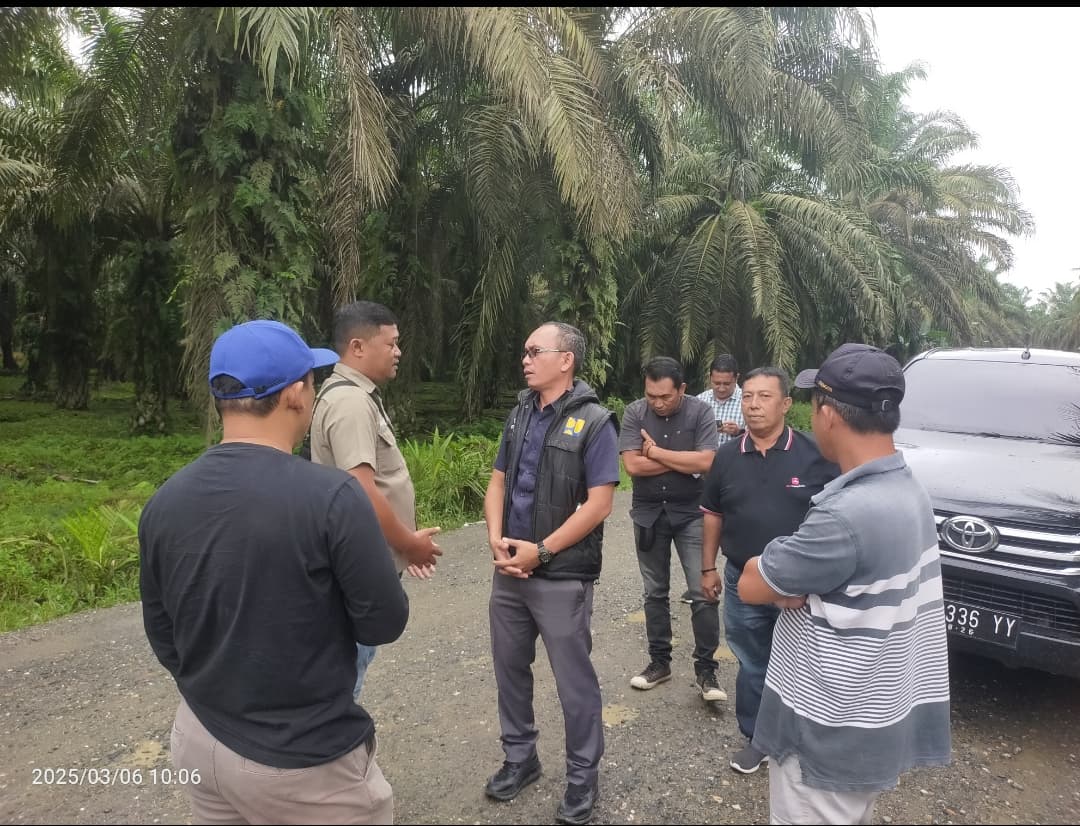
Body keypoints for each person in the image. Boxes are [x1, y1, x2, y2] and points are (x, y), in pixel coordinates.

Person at [139, 319, 409, 825]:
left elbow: (163, 635)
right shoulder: (331, 498)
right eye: (310, 380)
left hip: (201, 738)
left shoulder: (164, 502)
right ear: (293, 394)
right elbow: (383, 623)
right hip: (303, 760)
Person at [738, 344, 951, 824]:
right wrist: (800, 586)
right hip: (873, 714)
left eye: (811, 404)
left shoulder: (845, 515)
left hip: (826, 733)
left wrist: (786, 581)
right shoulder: (908, 488)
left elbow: (752, 583)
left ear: (828, 415)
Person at [482, 322, 620, 826]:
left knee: (573, 682)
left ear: (566, 360)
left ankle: (582, 778)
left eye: (535, 350)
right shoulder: (520, 413)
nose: (525, 358)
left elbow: (600, 504)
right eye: (524, 350)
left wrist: (541, 551)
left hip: (560, 575)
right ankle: (521, 759)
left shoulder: (596, 421)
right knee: (509, 671)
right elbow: (496, 483)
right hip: (509, 572)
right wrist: (496, 537)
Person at [700, 366, 839, 774]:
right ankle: (756, 738)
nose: (754, 405)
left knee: (808, 661)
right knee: (753, 661)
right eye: (747, 397)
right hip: (744, 579)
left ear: (785, 404)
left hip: (801, 584)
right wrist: (707, 568)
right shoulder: (726, 456)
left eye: (764, 397)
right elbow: (712, 515)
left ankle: (805, 738)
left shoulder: (816, 456)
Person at [310, 300, 442, 700]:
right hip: (360, 563)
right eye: (392, 343)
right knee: (347, 670)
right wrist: (408, 543)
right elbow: (362, 490)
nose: (398, 351)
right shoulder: (350, 403)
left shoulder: (352, 395)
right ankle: (332, 749)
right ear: (358, 347)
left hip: (365, 554)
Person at [619, 356, 723, 702]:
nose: (658, 403)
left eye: (665, 396)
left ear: (682, 389)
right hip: (649, 514)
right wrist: (681, 460)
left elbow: (707, 462)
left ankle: (706, 671)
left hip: (692, 513)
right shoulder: (635, 413)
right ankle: (659, 663)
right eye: (652, 396)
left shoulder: (700, 413)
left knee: (702, 592)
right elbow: (632, 465)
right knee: (654, 593)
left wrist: (657, 452)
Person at [696, 354, 745, 445]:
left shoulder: (747, 400)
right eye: (717, 383)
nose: (721, 389)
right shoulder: (700, 401)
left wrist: (739, 432)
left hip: (736, 457)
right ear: (710, 377)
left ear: (736, 378)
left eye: (727, 384)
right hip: (705, 457)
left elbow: (761, 435)